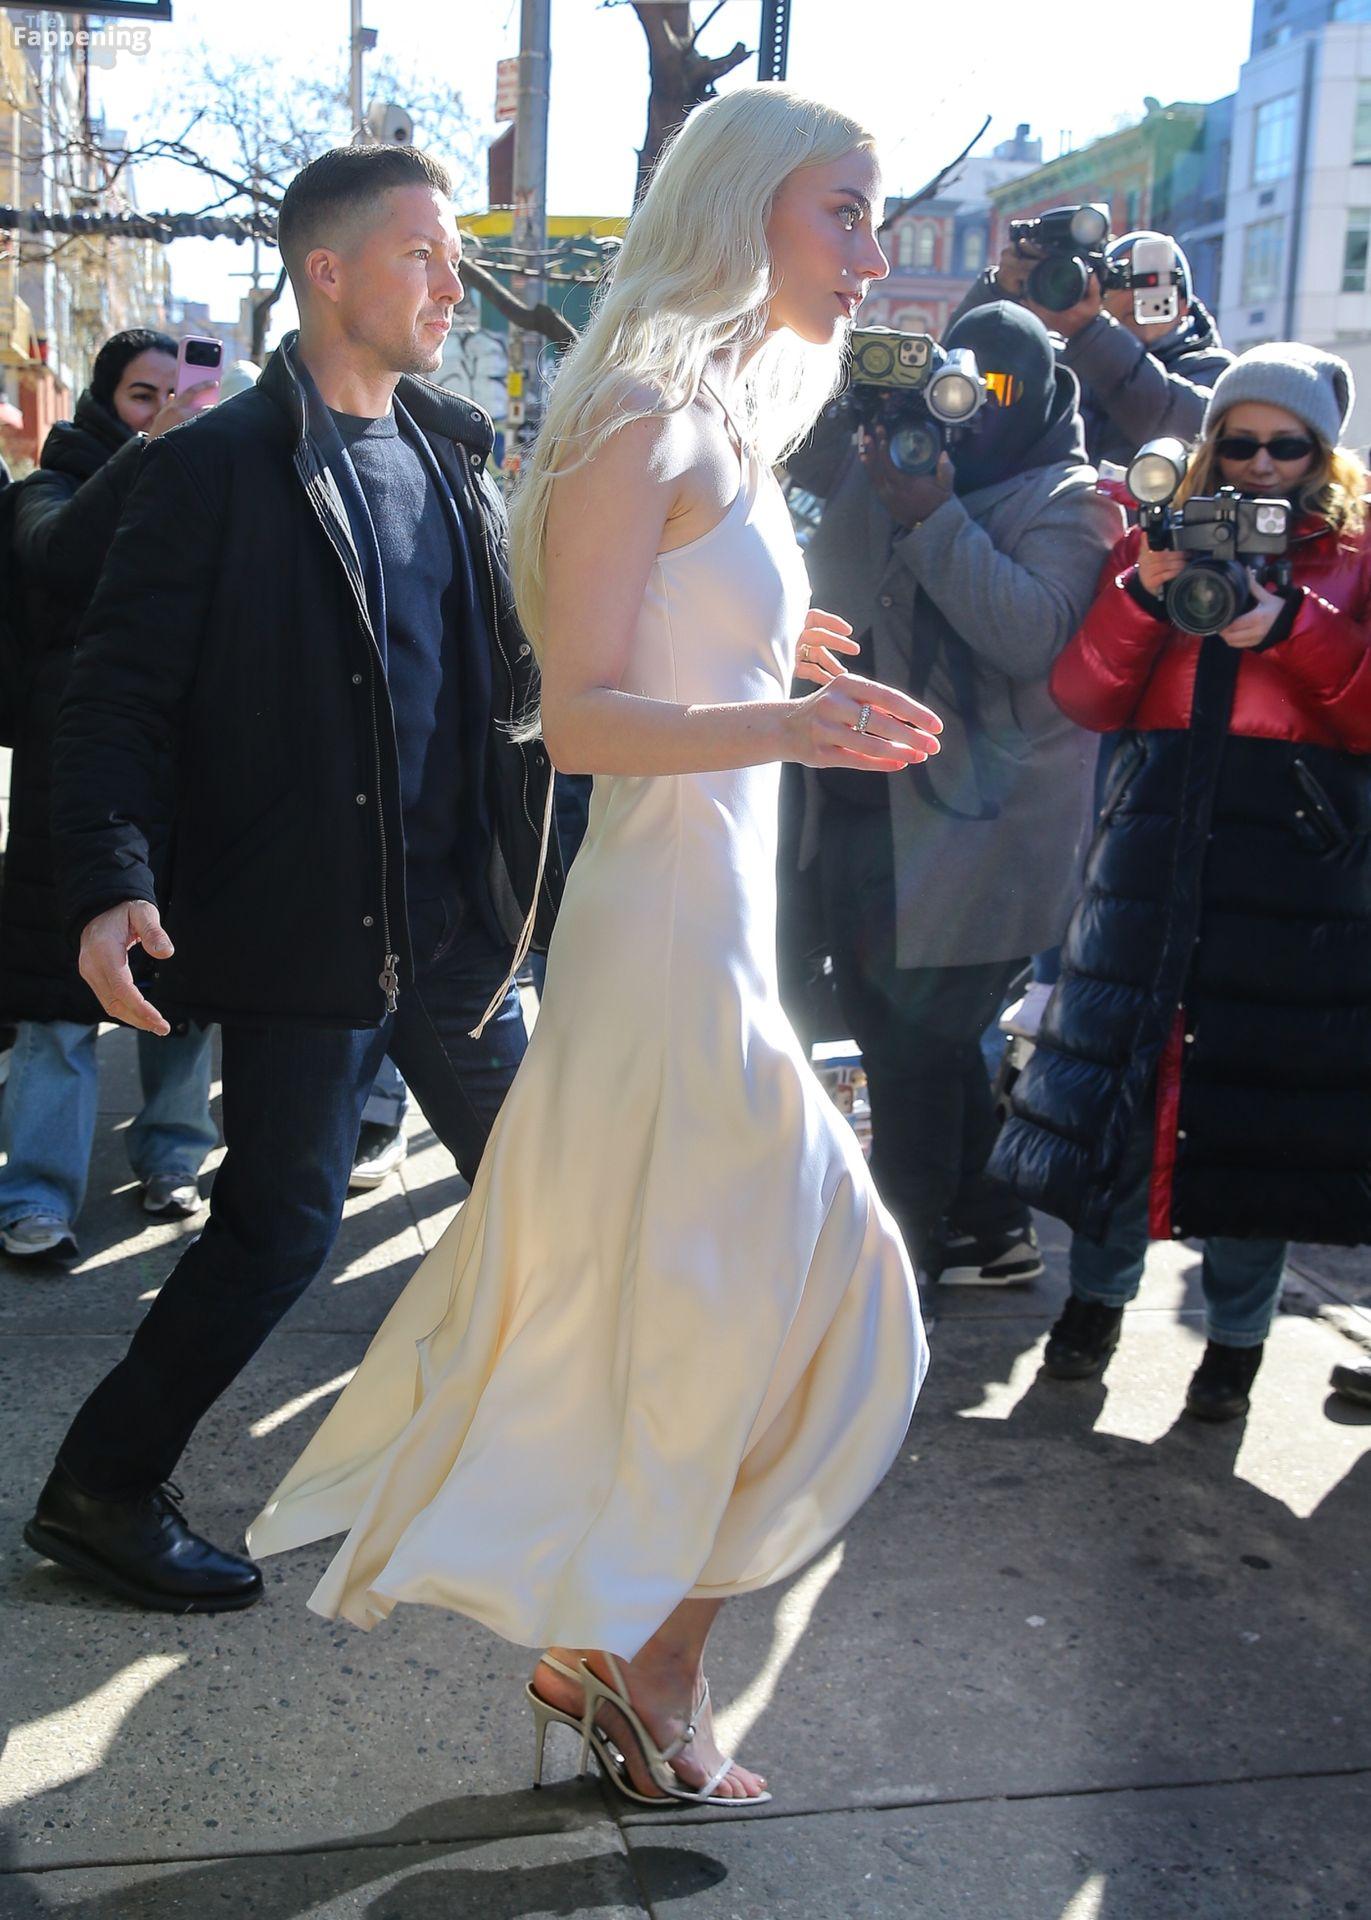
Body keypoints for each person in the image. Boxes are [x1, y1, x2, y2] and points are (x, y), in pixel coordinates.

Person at [247, 84, 934, 1809]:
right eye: (844, 212)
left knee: (768, 1319)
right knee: (822, 1310)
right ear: (740, 207)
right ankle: (645, 1663)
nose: (872, 254)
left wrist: (779, 656)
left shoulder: (711, 416)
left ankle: (628, 1660)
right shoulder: (638, 411)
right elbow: (578, 723)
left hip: (713, 935)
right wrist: (792, 725)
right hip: (666, 938)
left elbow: (672, 642)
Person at [23, 143, 559, 1612]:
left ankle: (548, 1461)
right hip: (312, 925)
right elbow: (114, 696)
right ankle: (100, 1491)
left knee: (546, 1192)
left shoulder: (450, 454)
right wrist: (108, 881)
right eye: (423, 256)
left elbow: (516, 664)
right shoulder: (209, 468)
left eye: (455, 259)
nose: (454, 286)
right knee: (279, 1229)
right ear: (327, 272)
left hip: (458, 931)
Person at [991, 343, 1371, 1420]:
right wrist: (1141, 595)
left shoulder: (1354, 552)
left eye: (1286, 446)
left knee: (1260, 1119)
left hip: (1290, 869)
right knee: (1123, 1096)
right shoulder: (1163, 532)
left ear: (1322, 452)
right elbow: (1084, 695)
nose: (1259, 465)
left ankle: (1236, 1349)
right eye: (1238, 442)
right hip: (1154, 848)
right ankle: (1093, 1307)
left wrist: (1291, 627)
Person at [785, 303, 1121, 1286]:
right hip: (859, 804)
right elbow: (820, 557)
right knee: (900, 1040)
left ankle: (902, 1271)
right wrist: (860, 414)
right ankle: (989, 1224)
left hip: (976, 836)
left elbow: (1029, 636)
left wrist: (933, 514)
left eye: (1003, 392)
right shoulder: (896, 455)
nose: (980, 413)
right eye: (970, 387)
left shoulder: (1071, 498)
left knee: (912, 1055)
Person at [0, 329, 220, 1262]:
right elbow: (56, 556)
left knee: (181, 986)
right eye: (141, 394)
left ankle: (174, 1157)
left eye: (178, 393)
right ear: (104, 402)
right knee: (56, 1006)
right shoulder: (53, 483)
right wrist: (151, 450)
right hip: (70, 781)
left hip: (185, 773)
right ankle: (35, 1192)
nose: (163, 409)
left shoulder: (214, 484)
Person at [953, 228, 1233, 468]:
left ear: (1183, 305)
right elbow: (958, 369)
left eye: (1155, 283)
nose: (1138, 294)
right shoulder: (1057, 363)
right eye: (1123, 280)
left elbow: (1187, 428)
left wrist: (1090, 333)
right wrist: (999, 290)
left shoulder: (1216, 370)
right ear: (1100, 292)